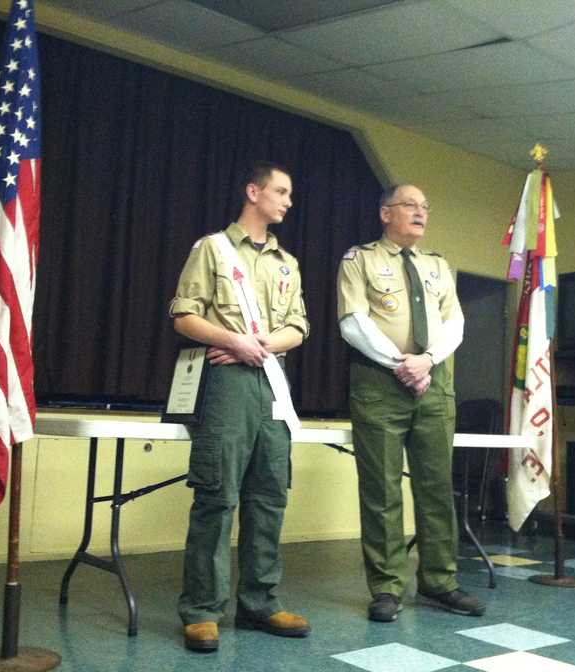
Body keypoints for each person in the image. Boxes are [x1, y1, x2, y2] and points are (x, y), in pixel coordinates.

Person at [169, 161, 310, 651]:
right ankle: (202, 609)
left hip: (272, 382)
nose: (288, 201)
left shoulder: (287, 263)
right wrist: (232, 340)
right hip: (227, 382)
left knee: (269, 494)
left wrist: (263, 344)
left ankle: (259, 603)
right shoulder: (213, 248)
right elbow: (183, 316)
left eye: (289, 194)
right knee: (217, 493)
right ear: (253, 191)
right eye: (280, 191)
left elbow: (300, 326)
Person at [336, 183, 486, 622]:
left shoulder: (437, 265)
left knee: (436, 487)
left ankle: (440, 583)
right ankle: (387, 588)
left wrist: (427, 361)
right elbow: (353, 321)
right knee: (382, 489)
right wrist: (401, 363)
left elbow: (455, 323)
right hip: (379, 384)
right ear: (386, 213)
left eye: (425, 206)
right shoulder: (360, 259)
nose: (421, 212)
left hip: (433, 383)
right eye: (410, 205)